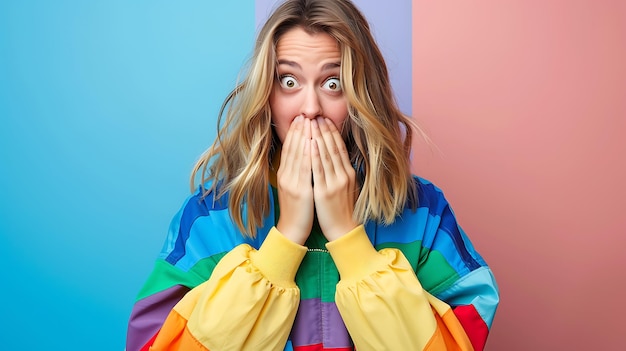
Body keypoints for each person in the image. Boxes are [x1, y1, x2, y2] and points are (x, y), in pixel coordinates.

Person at [126, 0, 499, 350]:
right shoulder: (210, 217)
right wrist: (283, 243)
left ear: (359, 98)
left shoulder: (422, 213)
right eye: (289, 81)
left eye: (332, 83)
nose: (310, 108)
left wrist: (348, 240)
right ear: (267, 97)